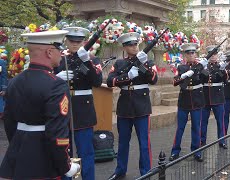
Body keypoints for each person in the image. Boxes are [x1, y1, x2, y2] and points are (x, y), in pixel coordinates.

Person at [0, 30, 80, 179]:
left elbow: (9, 122)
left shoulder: (15, 81)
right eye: (59, 50)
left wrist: (20, 145)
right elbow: (56, 132)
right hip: (44, 158)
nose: (61, 54)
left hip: (18, 152)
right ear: (49, 52)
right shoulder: (56, 85)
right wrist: (66, 166)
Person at [107, 32, 158, 179]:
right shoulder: (119, 63)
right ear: (124, 47)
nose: (134, 47)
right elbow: (111, 81)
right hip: (124, 106)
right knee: (123, 142)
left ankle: (145, 172)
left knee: (144, 142)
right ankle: (120, 170)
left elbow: (153, 79)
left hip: (141, 105)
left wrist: (142, 65)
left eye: (135, 44)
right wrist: (127, 77)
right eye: (130, 45)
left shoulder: (148, 62)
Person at [55, 27, 103, 180]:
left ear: (83, 42)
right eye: (71, 41)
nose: (75, 44)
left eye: (79, 41)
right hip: (62, 108)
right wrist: (56, 77)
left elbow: (97, 82)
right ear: (66, 41)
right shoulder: (59, 58)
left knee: (86, 151)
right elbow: (46, 79)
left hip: (83, 109)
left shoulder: (92, 59)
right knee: (64, 151)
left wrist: (86, 61)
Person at [169, 43, 205, 162]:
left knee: (196, 127)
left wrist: (203, 68)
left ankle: (196, 151)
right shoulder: (181, 67)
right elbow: (174, 82)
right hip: (184, 100)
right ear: (185, 55)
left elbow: (206, 77)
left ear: (195, 54)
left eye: (192, 53)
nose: (190, 55)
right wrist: (183, 76)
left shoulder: (201, 66)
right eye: (188, 53)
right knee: (180, 128)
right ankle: (175, 151)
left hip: (197, 100)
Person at [200, 45, 228, 149]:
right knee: (203, 121)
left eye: (214, 54)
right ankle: (202, 141)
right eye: (211, 54)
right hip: (205, 97)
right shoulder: (203, 66)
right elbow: (200, 79)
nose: (213, 56)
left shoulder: (220, 66)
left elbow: (225, 80)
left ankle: (222, 140)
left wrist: (222, 70)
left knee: (220, 121)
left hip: (218, 96)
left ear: (217, 56)